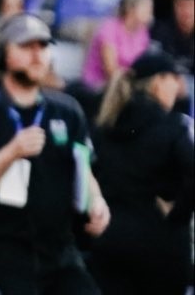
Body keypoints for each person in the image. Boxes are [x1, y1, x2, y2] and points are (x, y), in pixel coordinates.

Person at [0, 14, 110, 295]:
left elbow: (82, 167)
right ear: (3, 53)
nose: (37, 55)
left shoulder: (67, 109)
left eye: (43, 46)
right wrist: (11, 153)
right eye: (26, 47)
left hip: (58, 253)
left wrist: (98, 203)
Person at [89, 51, 194, 295]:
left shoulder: (106, 125)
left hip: (109, 241)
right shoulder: (173, 127)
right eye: (173, 79)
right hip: (160, 248)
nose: (178, 88)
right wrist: (178, 213)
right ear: (158, 82)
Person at [82, 0, 153, 90]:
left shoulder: (143, 33)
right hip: (99, 86)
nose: (150, 12)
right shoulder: (109, 28)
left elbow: (143, 65)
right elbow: (110, 70)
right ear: (130, 9)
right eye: (146, 7)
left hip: (127, 86)